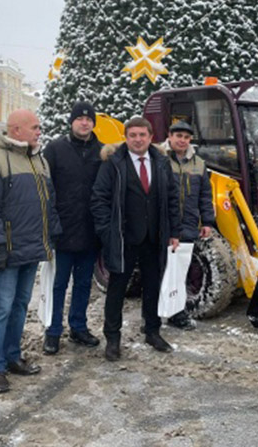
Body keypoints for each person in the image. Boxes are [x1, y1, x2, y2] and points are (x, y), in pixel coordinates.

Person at [0, 109, 61, 393]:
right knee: (0, 309)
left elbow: (49, 203)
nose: (39, 132)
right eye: (34, 127)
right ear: (16, 129)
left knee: (20, 307)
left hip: (32, 248)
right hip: (8, 252)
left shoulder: (39, 160)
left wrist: (52, 235)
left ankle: (12, 356)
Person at [91, 116, 180, 361]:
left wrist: (174, 231)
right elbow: (99, 199)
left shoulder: (161, 162)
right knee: (117, 288)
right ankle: (113, 338)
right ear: (126, 138)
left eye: (142, 135)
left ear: (150, 137)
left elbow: (172, 198)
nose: (138, 139)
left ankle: (152, 331)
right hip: (123, 238)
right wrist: (107, 232)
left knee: (153, 285)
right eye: (133, 135)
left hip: (154, 237)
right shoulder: (113, 164)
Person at [41, 101, 103, 355]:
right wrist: (51, 223)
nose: (84, 122)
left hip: (90, 230)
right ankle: (52, 331)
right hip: (63, 230)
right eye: (80, 118)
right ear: (72, 121)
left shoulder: (102, 152)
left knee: (83, 283)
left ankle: (78, 326)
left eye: (89, 119)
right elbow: (46, 189)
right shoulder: (55, 149)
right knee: (58, 285)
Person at [161, 120, 215, 331]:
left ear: (190, 140)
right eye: (178, 136)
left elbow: (205, 195)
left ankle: (176, 312)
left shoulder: (199, 164)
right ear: (170, 136)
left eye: (186, 137)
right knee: (159, 270)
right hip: (163, 226)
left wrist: (207, 221)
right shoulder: (159, 158)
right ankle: (153, 315)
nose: (182, 140)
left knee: (180, 270)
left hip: (188, 224)